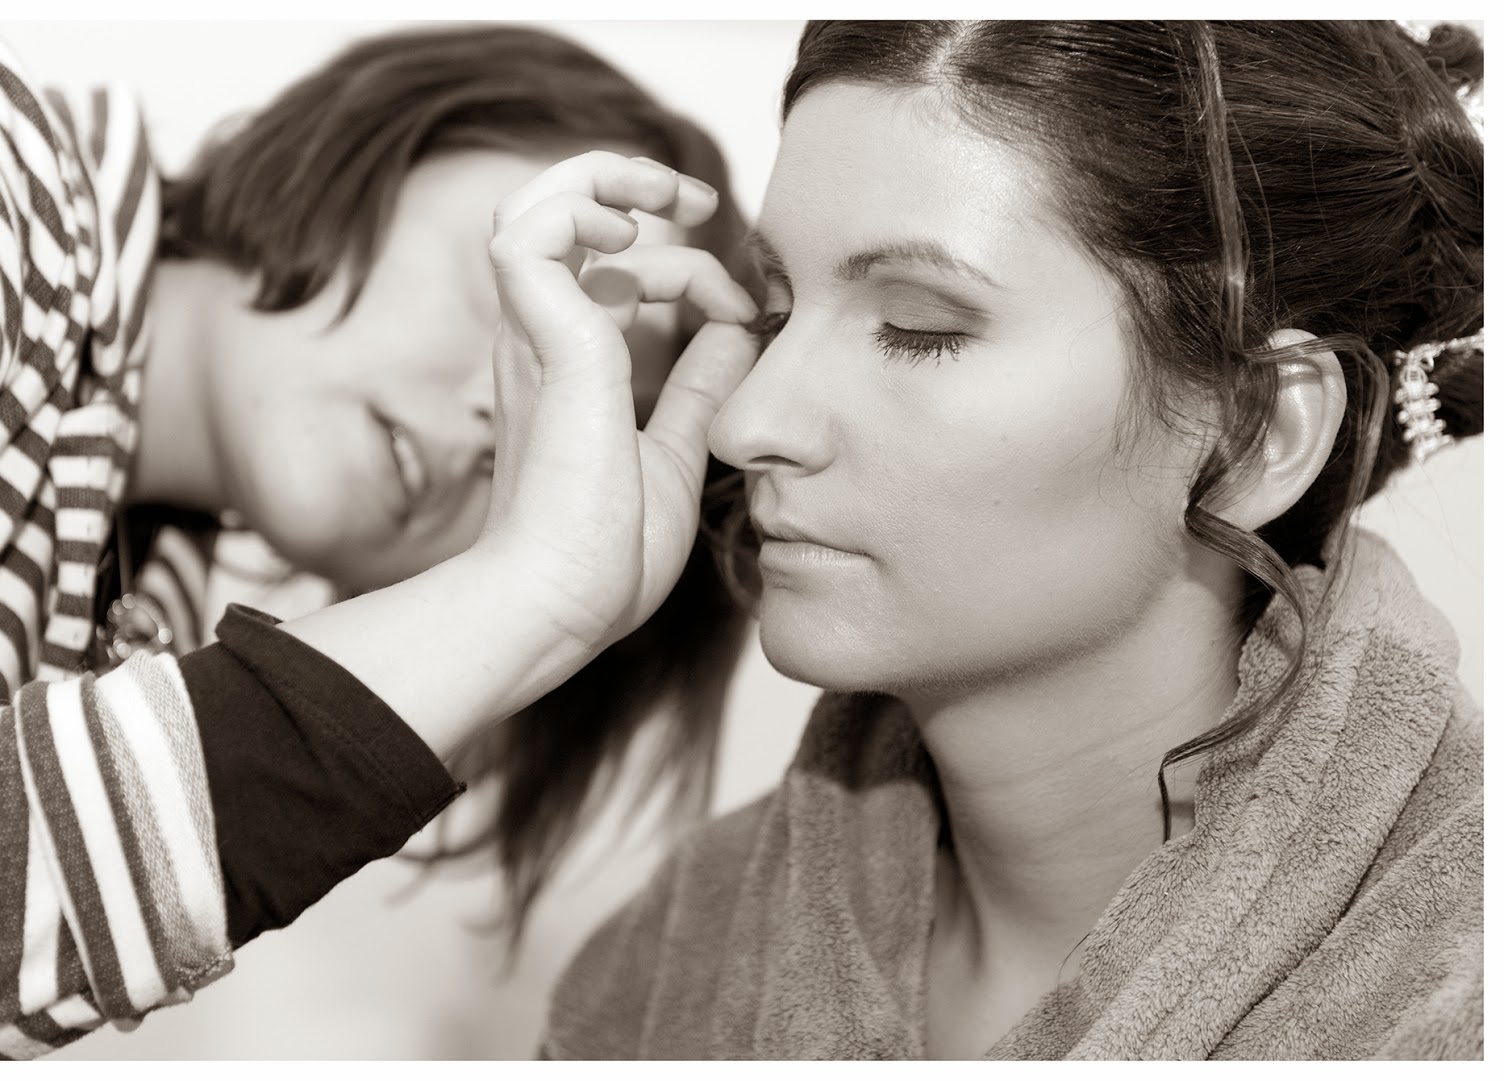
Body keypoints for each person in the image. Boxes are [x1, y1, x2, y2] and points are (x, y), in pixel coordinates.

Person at [533, 20, 1485, 1059]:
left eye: (919, 326)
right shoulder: (665, 958)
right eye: (776, 313)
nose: (746, 424)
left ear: (1257, 430)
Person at [0, 20, 757, 1058]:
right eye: (518, 300)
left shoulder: (123, 617)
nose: (494, 424)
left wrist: (530, 594)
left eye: (567, 414)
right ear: (386, 135)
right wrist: (520, 598)